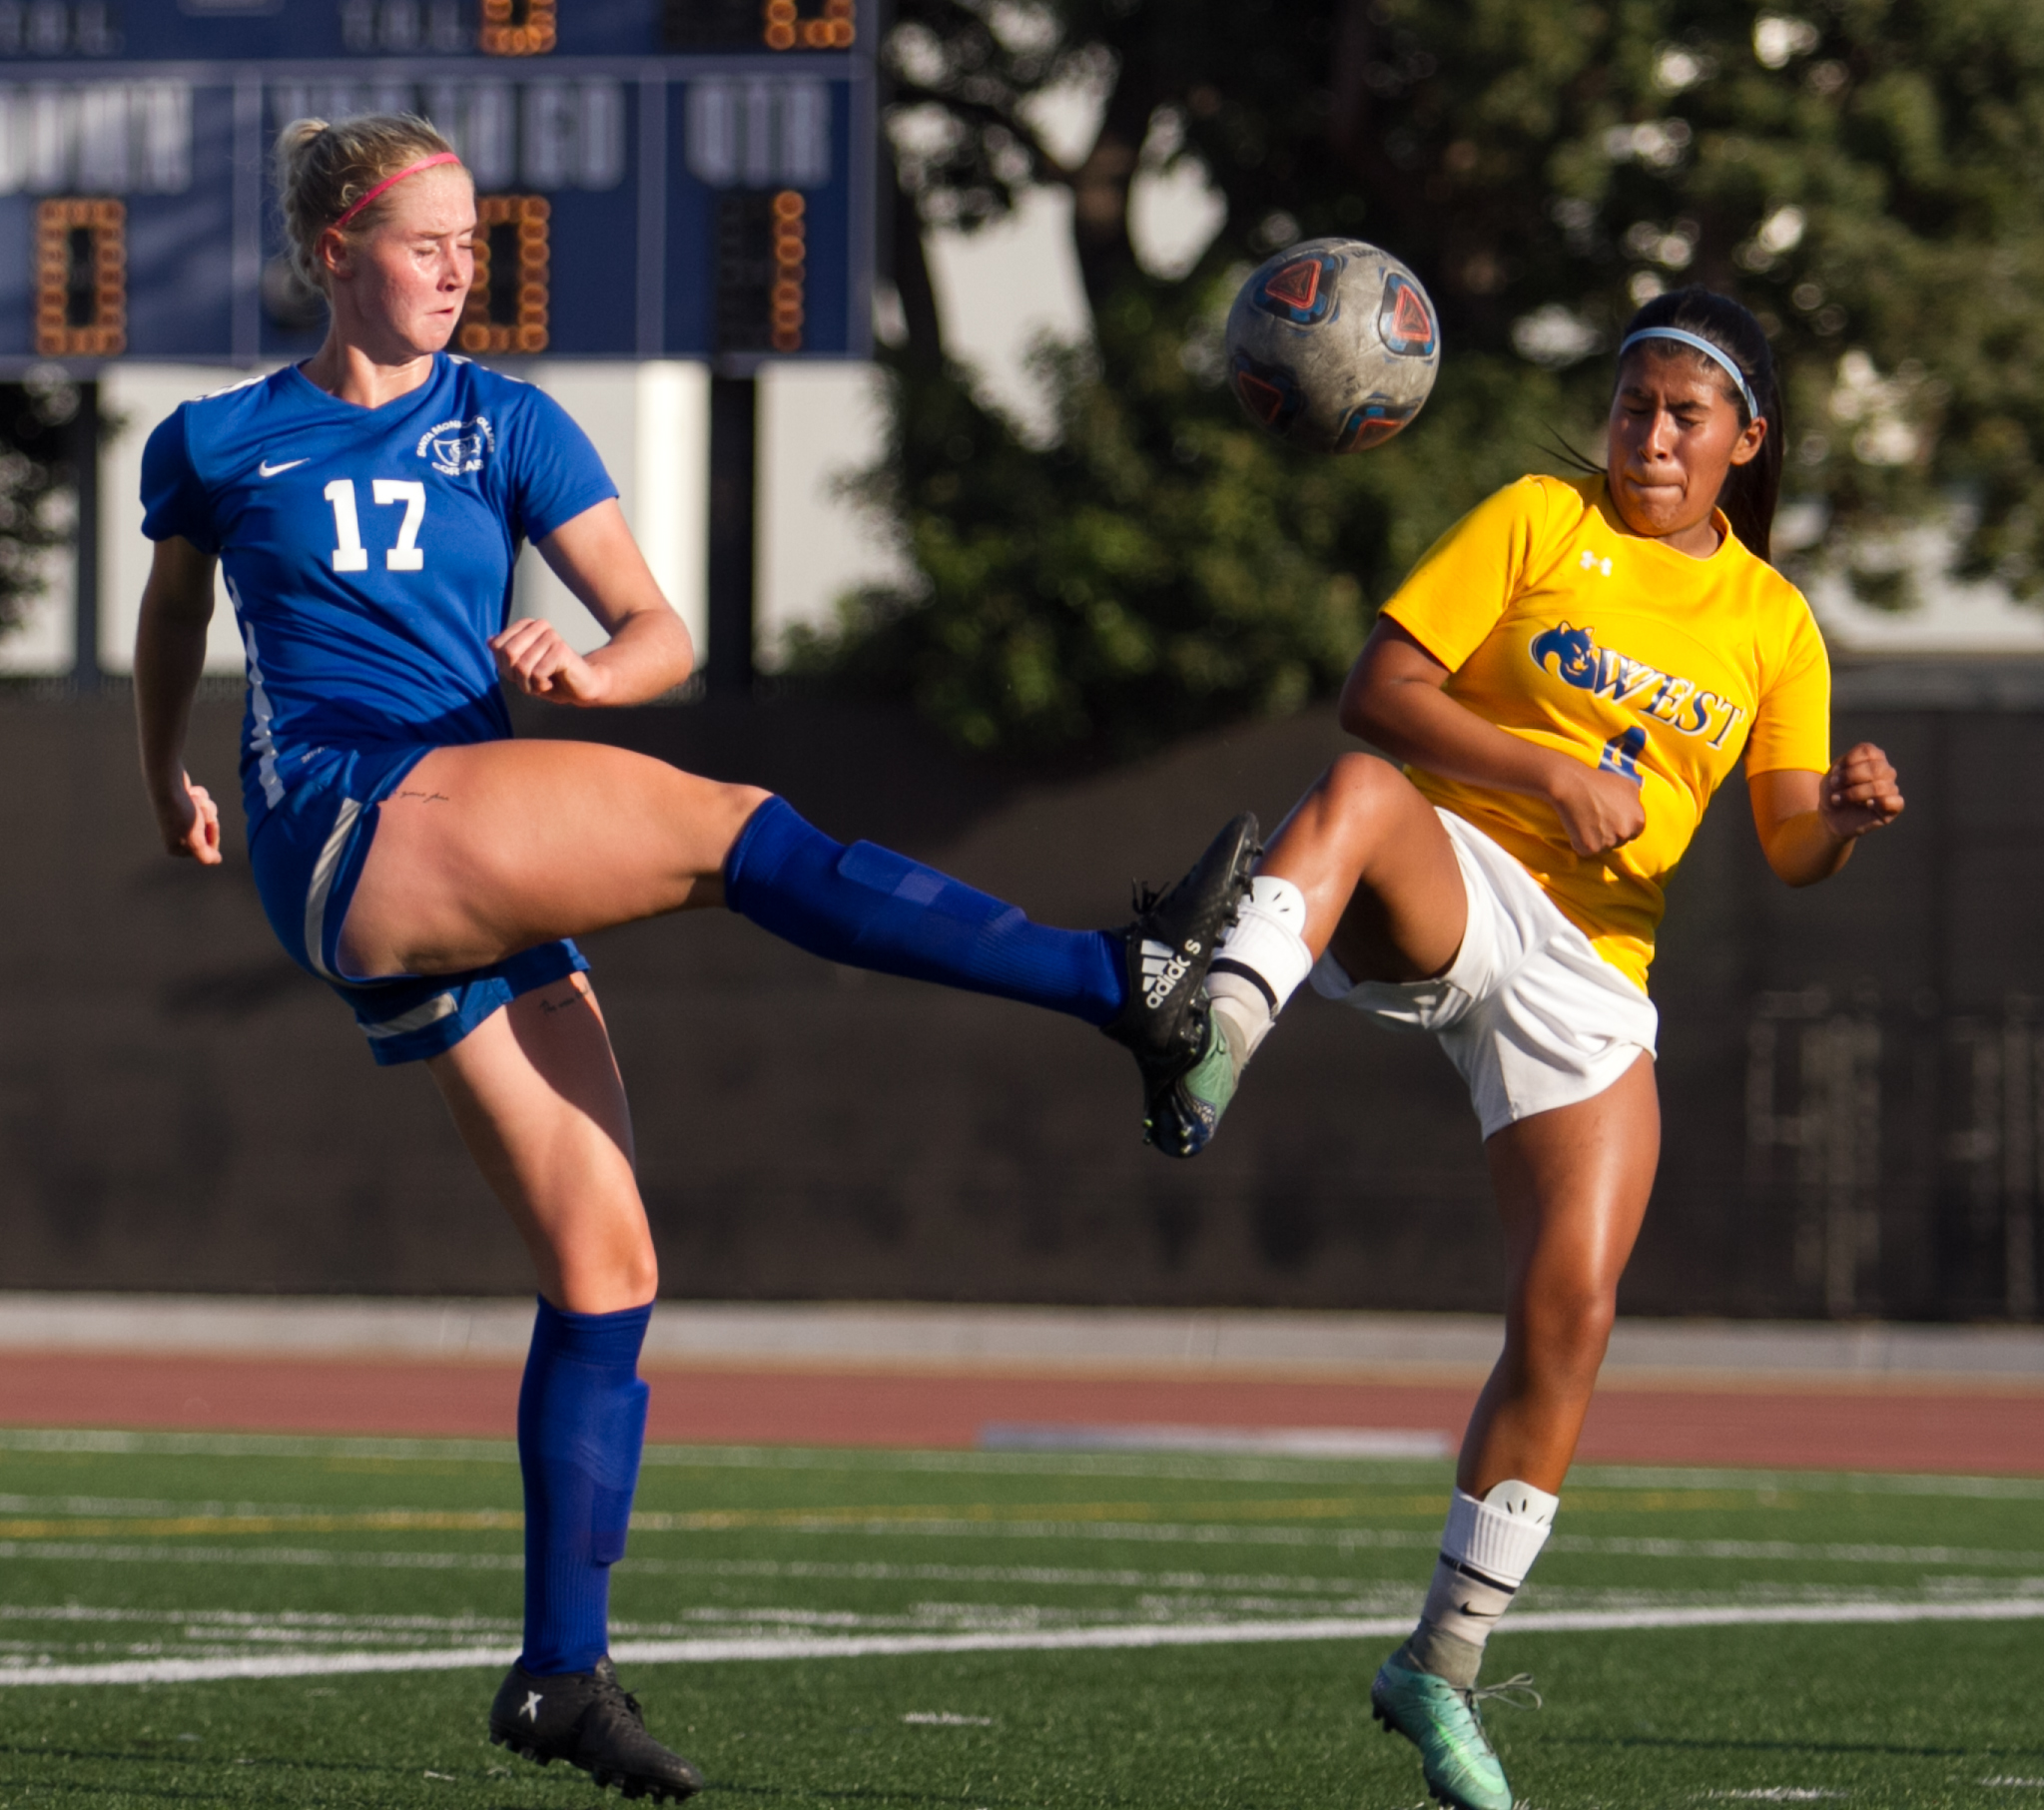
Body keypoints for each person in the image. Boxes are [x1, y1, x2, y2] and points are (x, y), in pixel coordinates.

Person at [132, 114, 1257, 1802]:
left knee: (607, 1270)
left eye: (472, 237)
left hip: (459, 832)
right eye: (425, 238)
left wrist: (594, 672)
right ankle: (1125, 987)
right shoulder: (221, 438)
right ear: (328, 250)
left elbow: (657, 629)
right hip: (354, 821)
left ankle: (558, 1677)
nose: (462, 264)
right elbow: (171, 609)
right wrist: (163, 766)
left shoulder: (502, 419)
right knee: (737, 828)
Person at [1139, 289, 1903, 1810]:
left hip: (1594, 973)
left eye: (1686, 414)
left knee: (1574, 1305)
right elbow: (1382, 690)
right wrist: (1544, 769)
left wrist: (1846, 817)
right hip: (1460, 868)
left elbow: (1785, 837)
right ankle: (1207, 1019)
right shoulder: (1539, 516)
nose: (1651, 435)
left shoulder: (1770, 619)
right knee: (1355, 787)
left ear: (1744, 442)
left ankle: (1440, 1662)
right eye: (1634, 405)